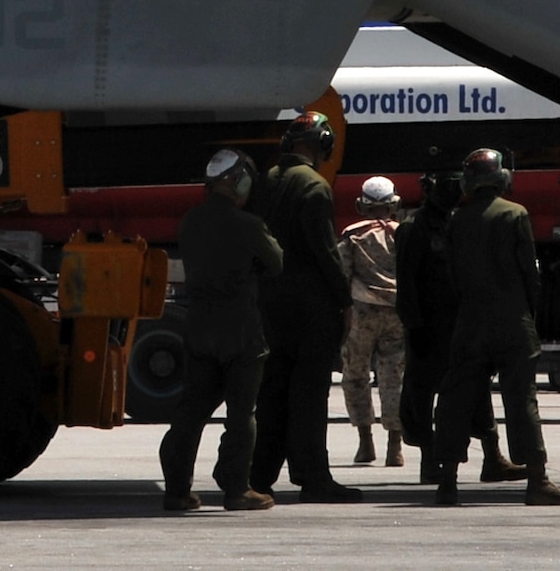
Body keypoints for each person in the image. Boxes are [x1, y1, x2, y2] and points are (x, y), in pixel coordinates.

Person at [429, 147, 560, 507]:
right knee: (521, 399)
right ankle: (537, 480)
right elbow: (530, 273)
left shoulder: (456, 219)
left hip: (471, 321)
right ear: (501, 178)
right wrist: (529, 314)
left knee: (457, 398)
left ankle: (447, 480)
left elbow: (451, 277)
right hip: (512, 320)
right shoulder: (515, 214)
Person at [158, 149, 283, 512]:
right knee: (241, 413)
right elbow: (276, 263)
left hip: (199, 328)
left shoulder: (190, 222)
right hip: (240, 331)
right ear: (236, 180)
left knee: (189, 413)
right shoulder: (248, 225)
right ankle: (236, 489)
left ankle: (177, 490)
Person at [247, 112, 362, 503]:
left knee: (273, 392)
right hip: (310, 307)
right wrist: (344, 301)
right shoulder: (315, 186)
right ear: (324, 144)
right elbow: (324, 251)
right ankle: (314, 478)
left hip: (270, 303)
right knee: (310, 395)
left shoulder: (268, 179)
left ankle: (259, 475)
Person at [397, 171, 524, 485]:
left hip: (460, 324)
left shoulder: (456, 222)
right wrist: (414, 327)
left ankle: (492, 458)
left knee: (477, 389)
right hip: (429, 327)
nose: (454, 192)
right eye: (447, 186)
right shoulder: (414, 228)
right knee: (423, 394)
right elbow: (407, 284)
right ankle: (429, 462)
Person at [339, 176, 406, 466]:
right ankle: (395, 447)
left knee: (355, 376)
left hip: (361, 314)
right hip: (397, 315)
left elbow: (342, 276)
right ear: (394, 204)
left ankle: (365, 443)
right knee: (394, 378)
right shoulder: (403, 234)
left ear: (361, 206)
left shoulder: (352, 235)